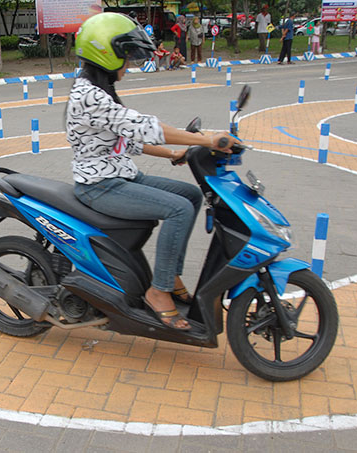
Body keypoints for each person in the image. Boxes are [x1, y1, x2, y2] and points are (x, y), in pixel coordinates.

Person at [68, 12, 237, 330]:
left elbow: (128, 139)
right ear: (106, 53)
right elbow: (145, 127)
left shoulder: (100, 89)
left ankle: (169, 275)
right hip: (100, 185)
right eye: (126, 57)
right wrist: (207, 138)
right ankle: (158, 292)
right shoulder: (89, 96)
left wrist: (176, 153)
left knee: (190, 194)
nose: (129, 65)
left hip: (122, 175)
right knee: (177, 209)